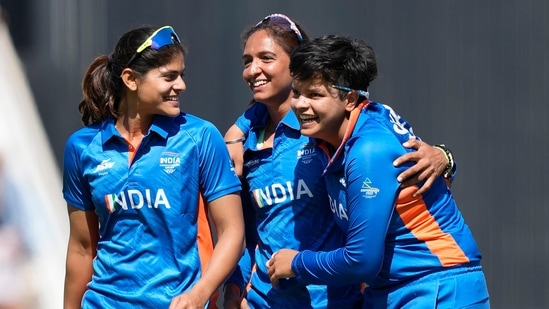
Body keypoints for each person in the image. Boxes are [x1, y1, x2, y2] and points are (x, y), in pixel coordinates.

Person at [222, 14, 454, 309]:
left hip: (340, 299)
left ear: (298, 66)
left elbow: (399, 154)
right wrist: (234, 291)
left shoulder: (328, 127)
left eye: (266, 58)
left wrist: (444, 156)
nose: (253, 70)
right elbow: (245, 232)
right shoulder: (242, 144)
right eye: (246, 60)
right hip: (264, 302)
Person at [266, 34, 490, 308]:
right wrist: (241, 129)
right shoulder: (352, 123)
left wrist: (297, 263)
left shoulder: (367, 151)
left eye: (315, 95)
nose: (300, 105)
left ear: (349, 99)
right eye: (297, 93)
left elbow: (361, 261)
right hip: (399, 289)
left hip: (437, 288)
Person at [62, 25, 245, 309]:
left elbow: (233, 232)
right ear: (130, 80)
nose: (181, 85)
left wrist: (199, 294)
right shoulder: (82, 147)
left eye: (182, 75)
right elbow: (82, 248)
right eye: (169, 77)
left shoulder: (200, 137)